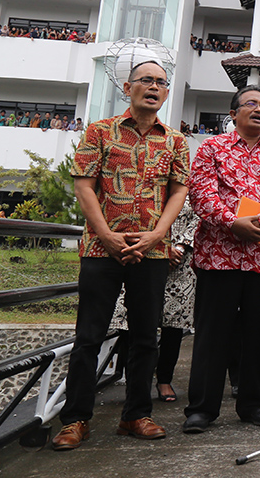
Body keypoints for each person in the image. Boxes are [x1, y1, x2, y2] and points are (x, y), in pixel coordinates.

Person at [52, 60, 190, 451]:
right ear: (127, 87)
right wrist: (107, 236)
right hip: (101, 248)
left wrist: (157, 235)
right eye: (146, 80)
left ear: (166, 93)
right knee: (89, 336)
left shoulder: (176, 140)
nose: (154, 87)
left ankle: (135, 415)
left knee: (147, 336)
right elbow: (84, 185)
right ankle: (75, 419)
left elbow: (178, 191)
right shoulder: (99, 132)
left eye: (161, 83)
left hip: (153, 251)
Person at [183, 85, 260, 434]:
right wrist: (232, 222)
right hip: (218, 255)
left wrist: (259, 225)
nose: (258, 109)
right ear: (233, 113)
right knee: (212, 334)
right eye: (250, 103)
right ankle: (202, 408)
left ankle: (254, 404)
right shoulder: (212, 147)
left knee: (258, 334)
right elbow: (201, 194)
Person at [108, 200, 199, 404]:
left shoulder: (187, 182)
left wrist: (180, 247)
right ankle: (137, 382)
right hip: (140, 256)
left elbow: (198, 216)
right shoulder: (144, 180)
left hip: (180, 265)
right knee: (131, 323)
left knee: (173, 323)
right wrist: (159, 249)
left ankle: (164, 379)